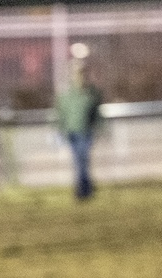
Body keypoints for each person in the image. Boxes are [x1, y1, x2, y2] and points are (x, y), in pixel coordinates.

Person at [55, 59, 103, 201]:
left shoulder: (91, 92)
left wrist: (100, 128)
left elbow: (96, 113)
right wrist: (58, 131)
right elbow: (60, 113)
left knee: (82, 159)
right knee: (79, 160)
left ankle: (83, 189)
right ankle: (84, 188)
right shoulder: (67, 93)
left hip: (86, 131)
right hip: (72, 132)